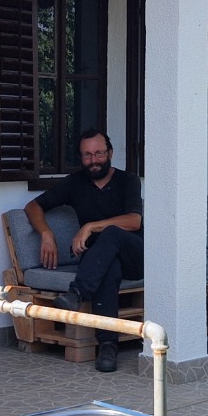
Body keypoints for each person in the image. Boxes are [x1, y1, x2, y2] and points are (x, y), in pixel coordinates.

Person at [24, 128, 142, 373]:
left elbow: (134, 221)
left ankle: (77, 292)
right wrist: (46, 233)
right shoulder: (75, 183)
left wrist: (90, 226)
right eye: (87, 155)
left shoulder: (128, 180)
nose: (93, 160)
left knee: (111, 234)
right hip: (99, 260)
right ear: (81, 157)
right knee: (109, 268)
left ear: (110, 153)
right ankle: (107, 346)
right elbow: (33, 206)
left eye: (99, 153)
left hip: (134, 255)